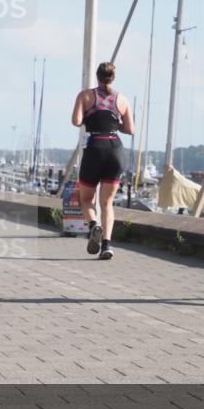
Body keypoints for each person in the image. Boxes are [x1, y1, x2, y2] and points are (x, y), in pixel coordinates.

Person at [71, 62, 135, 260]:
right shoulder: (122, 99)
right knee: (107, 203)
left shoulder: (85, 96)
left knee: (86, 199)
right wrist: (114, 124)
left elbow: (76, 121)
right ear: (112, 78)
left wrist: (90, 117)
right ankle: (107, 245)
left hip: (95, 148)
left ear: (97, 77)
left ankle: (93, 225)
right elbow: (130, 129)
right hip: (115, 149)